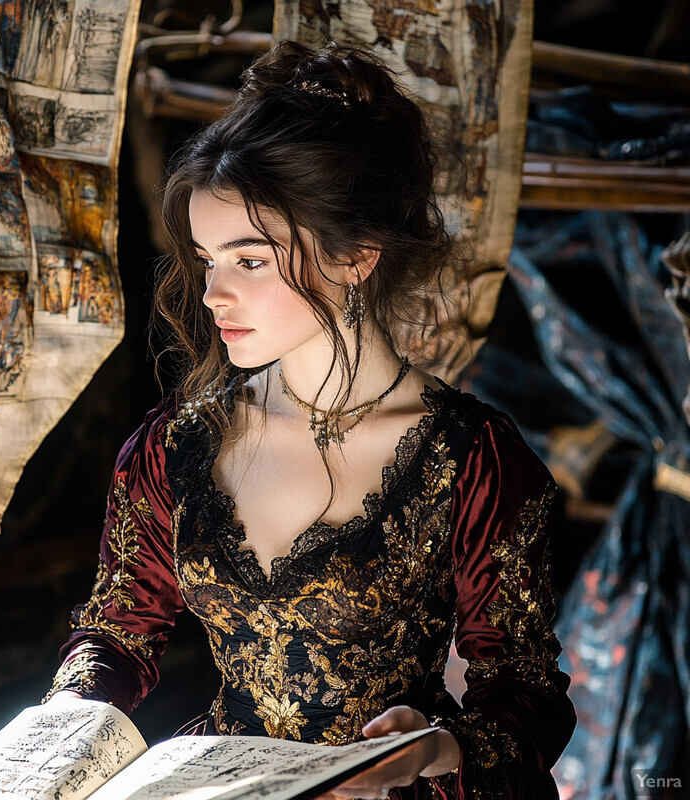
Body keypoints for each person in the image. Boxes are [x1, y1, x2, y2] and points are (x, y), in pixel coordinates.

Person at [44, 39, 576, 799]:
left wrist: (433, 749)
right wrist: (68, 710)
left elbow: (523, 686)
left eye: (250, 260)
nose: (212, 294)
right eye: (206, 259)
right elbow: (118, 628)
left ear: (356, 255)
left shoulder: (473, 459)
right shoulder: (173, 445)